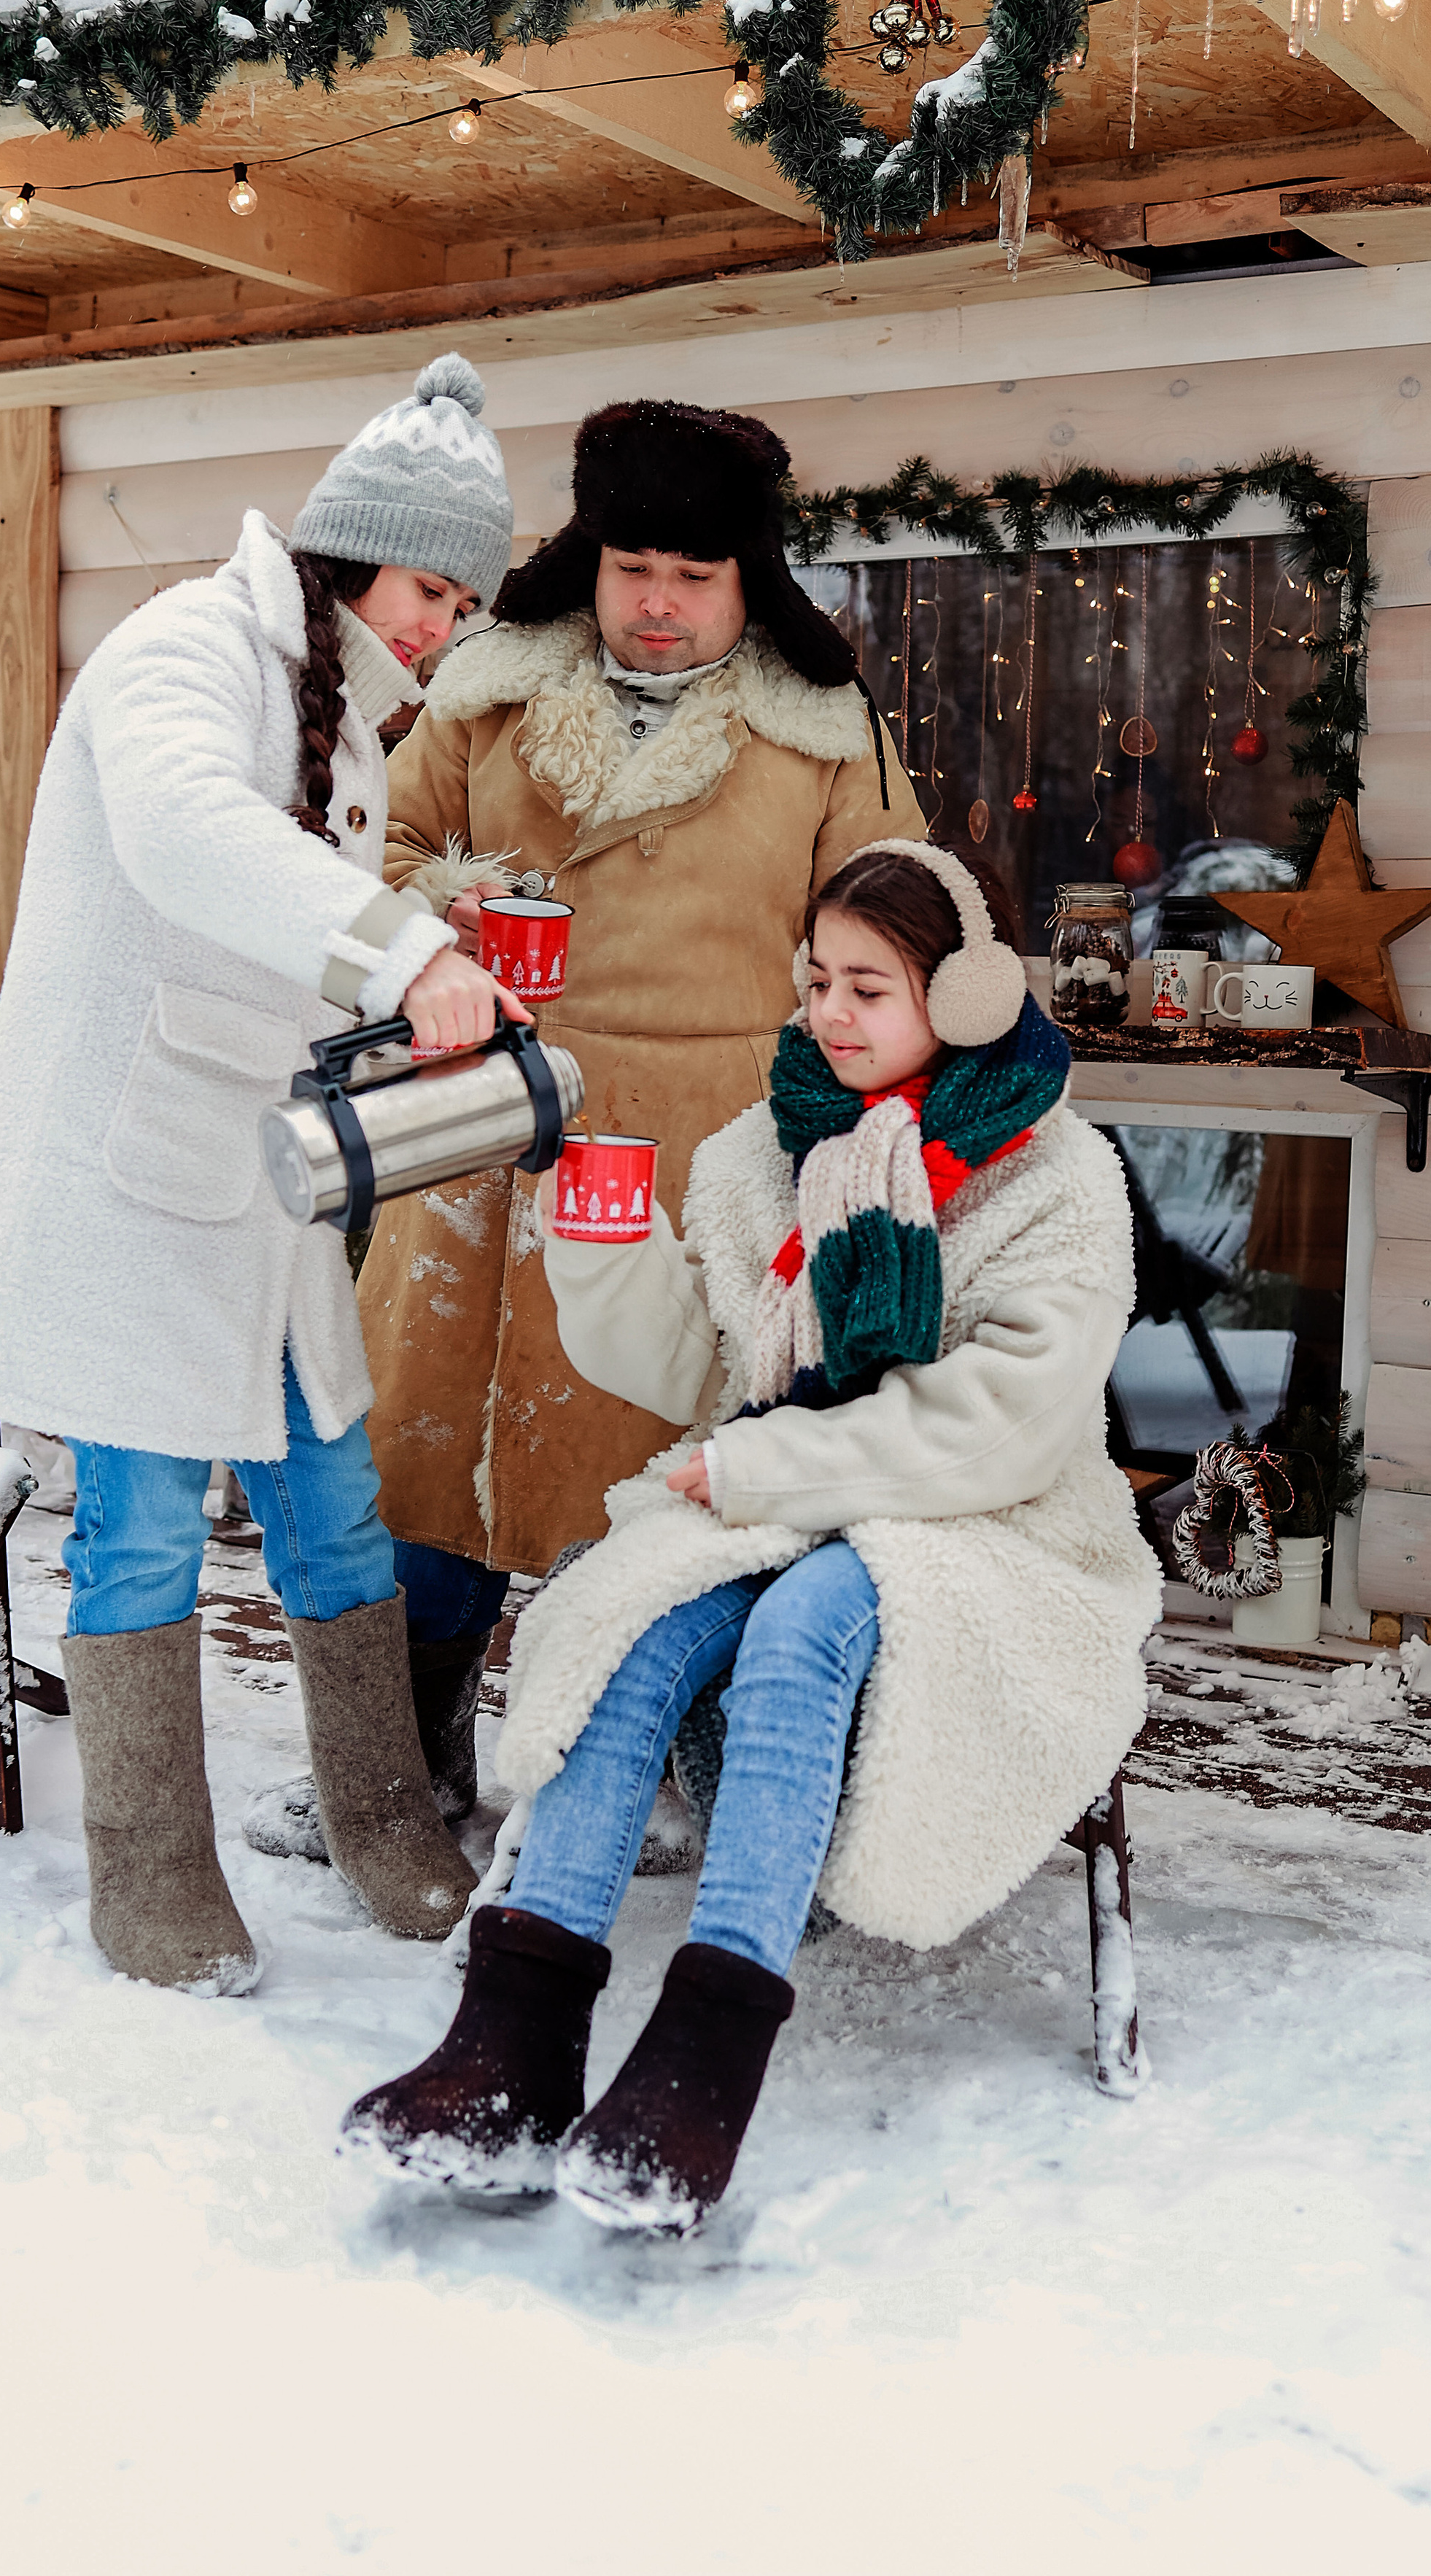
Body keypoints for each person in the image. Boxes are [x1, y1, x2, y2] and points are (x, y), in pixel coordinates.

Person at [342, 842, 1163, 2230]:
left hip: (994, 1528)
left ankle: (704, 2060)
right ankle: (515, 2044)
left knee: (802, 1626)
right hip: (785, 1497)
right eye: (817, 980)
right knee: (637, 1622)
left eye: (869, 989)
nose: (830, 1013)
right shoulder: (758, 1154)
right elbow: (699, 1367)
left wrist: (760, 1465)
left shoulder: (1055, 1176)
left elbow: (1006, 1429)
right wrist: (600, 1247)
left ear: (963, 996)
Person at [0, 354, 527, 1991]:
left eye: (461, 602)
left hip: (261, 1184)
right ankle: (151, 1873)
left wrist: (414, 966)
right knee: (141, 1531)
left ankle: (381, 1820)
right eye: (428, 589)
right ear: (354, 556)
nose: (440, 627)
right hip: (138, 1181)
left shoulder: (345, 714)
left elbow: (272, 934)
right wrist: (402, 949)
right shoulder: (188, 645)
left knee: (338, 1504)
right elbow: (187, 832)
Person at [296, 398, 928, 1837]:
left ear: (747, 581)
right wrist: (444, 916)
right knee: (427, 1458)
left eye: (695, 576)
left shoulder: (829, 734)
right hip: (474, 1129)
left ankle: (627, 1776)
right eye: (632, 566)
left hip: (697, 1156)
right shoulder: (482, 692)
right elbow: (372, 853)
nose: (657, 601)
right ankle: (403, 1775)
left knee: (650, 1470)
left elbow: (890, 936)